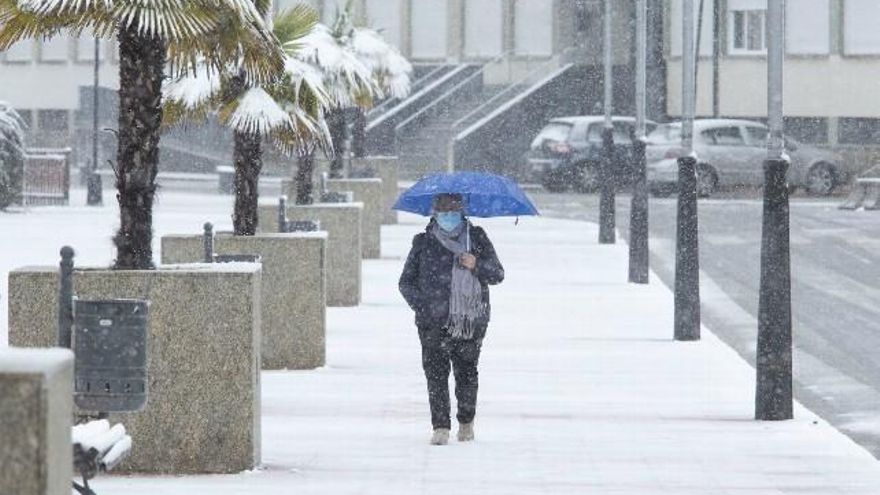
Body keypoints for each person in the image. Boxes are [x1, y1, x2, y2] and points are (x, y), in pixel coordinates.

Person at [399, 193, 505, 445]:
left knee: (466, 372)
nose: (449, 217)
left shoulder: (476, 238)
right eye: (443, 212)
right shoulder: (423, 242)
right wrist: (424, 308)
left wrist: (475, 264)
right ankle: (440, 426)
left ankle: (466, 422)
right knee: (435, 374)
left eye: (453, 211)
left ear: (462, 212)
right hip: (432, 322)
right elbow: (406, 283)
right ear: (434, 214)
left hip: (470, 320)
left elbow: (497, 274)